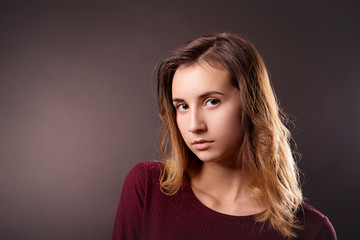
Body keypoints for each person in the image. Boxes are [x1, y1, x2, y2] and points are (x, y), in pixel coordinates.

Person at [112, 33, 336, 239]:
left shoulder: (311, 230)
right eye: (182, 106)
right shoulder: (148, 188)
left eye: (212, 102)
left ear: (251, 104)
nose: (194, 125)